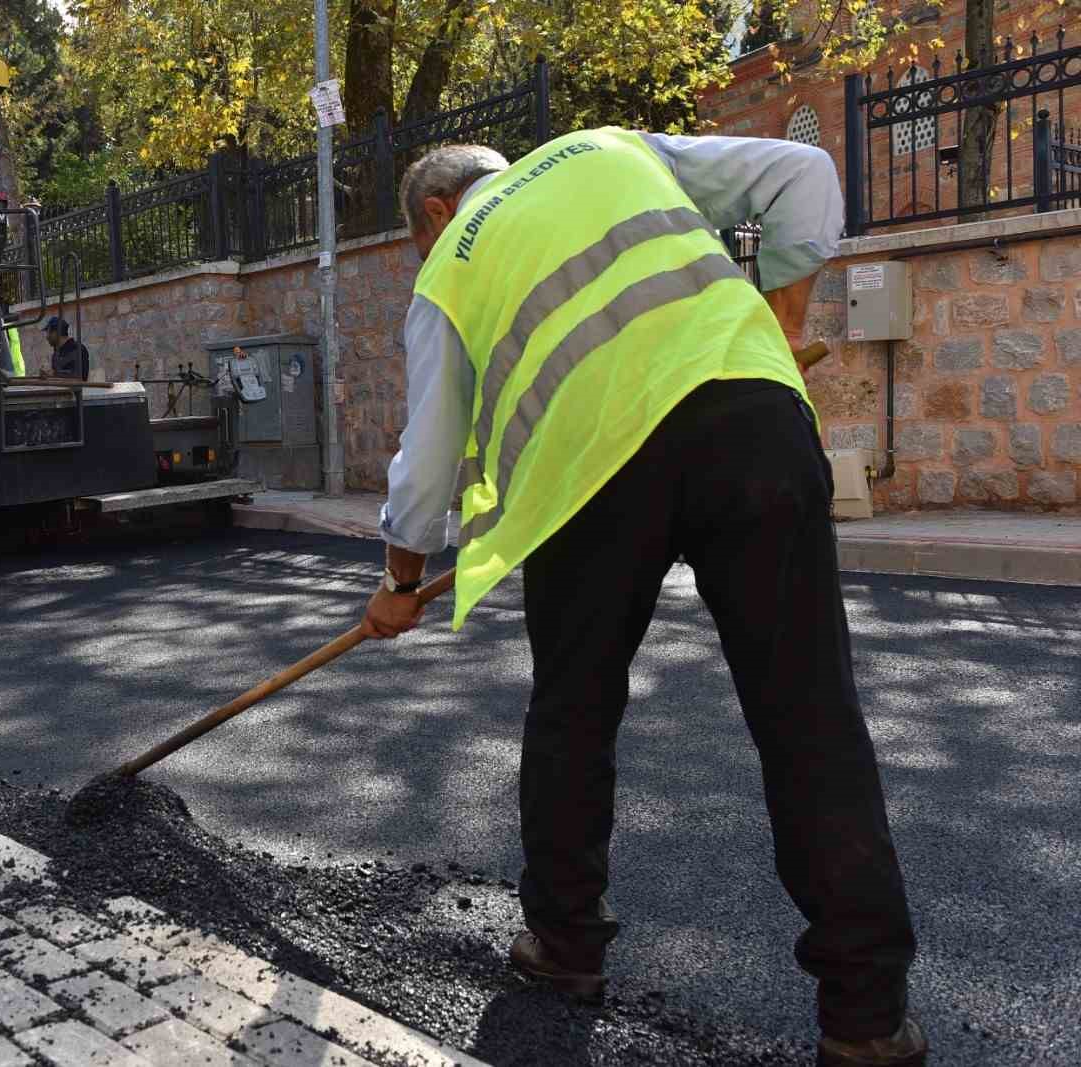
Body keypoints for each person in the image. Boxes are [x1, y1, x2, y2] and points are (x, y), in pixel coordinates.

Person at [360, 131, 924, 1067]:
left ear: (433, 212)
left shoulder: (450, 265)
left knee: (574, 715)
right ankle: (866, 1016)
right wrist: (781, 311)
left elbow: (424, 468)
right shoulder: (608, 147)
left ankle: (565, 945)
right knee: (810, 718)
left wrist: (398, 583)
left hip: (590, 477)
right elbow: (808, 173)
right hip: (749, 414)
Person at [43, 315, 90, 381]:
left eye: (48, 333)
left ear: (56, 333)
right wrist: (46, 375)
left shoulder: (78, 349)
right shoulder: (56, 353)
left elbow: (80, 377)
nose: (47, 337)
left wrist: (54, 374)